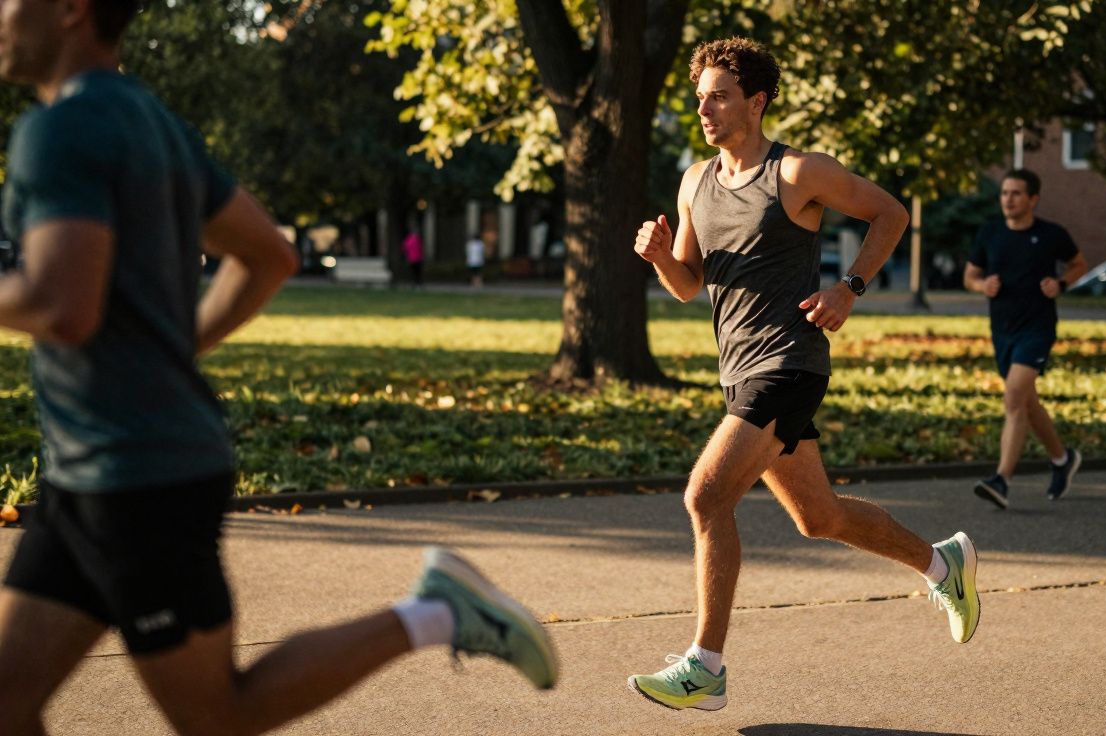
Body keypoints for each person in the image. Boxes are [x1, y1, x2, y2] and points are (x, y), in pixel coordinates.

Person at [0, 2, 557, 734]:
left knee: (218, 713)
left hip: (139, 475)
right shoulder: (151, 119)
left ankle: (433, 615)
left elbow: (61, 303)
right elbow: (270, 254)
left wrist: (164, 348)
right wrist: (175, 346)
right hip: (92, 472)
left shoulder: (59, 128)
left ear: (71, 9)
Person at [628, 37, 980, 712]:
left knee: (705, 498)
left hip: (789, 361)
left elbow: (891, 214)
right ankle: (944, 564)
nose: (705, 107)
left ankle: (706, 667)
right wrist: (657, 258)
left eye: (719, 95)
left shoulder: (797, 173)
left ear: (755, 103)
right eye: (700, 95)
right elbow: (687, 283)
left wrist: (849, 287)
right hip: (740, 367)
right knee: (818, 517)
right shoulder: (695, 181)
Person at [963, 169, 1089, 509]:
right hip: (1002, 329)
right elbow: (970, 275)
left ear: (1033, 199)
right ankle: (1063, 460)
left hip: (1037, 328)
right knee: (1026, 404)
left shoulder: (1051, 234)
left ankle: (1001, 480)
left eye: (1016, 193)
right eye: (1005, 193)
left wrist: (1060, 284)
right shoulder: (990, 233)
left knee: (1014, 396)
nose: (1008, 199)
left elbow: (1078, 264)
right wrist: (982, 285)